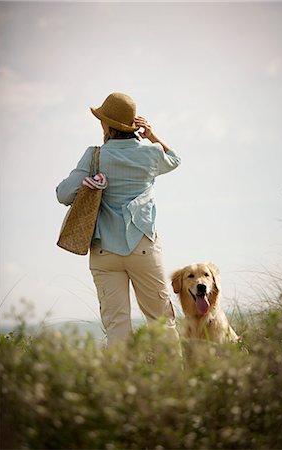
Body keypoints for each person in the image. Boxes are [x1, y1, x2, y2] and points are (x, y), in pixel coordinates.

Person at [56, 92, 181, 347]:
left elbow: (63, 194)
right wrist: (152, 136)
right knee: (161, 321)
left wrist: (90, 182)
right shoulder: (151, 154)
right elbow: (175, 160)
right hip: (143, 247)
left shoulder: (94, 157)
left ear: (106, 124)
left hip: (104, 252)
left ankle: (122, 384)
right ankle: (172, 384)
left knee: (116, 327)